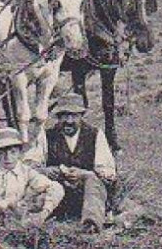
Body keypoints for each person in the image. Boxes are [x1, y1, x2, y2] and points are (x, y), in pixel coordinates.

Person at [26, 93, 119, 231]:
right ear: (58, 117)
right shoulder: (46, 135)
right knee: (38, 184)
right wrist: (46, 171)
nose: (69, 121)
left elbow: (109, 172)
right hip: (59, 195)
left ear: (81, 116)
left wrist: (85, 174)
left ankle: (91, 224)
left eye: (74, 116)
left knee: (93, 180)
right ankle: (33, 221)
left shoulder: (95, 134)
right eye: (64, 115)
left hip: (86, 197)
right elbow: (28, 166)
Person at [0, 126, 64, 226]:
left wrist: (43, 214)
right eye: (2, 153)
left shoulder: (24, 170)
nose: (8, 158)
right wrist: (7, 204)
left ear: (19, 153)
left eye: (13, 152)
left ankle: (30, 223)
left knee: (43, 196)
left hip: (17, 215)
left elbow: (55, 187)